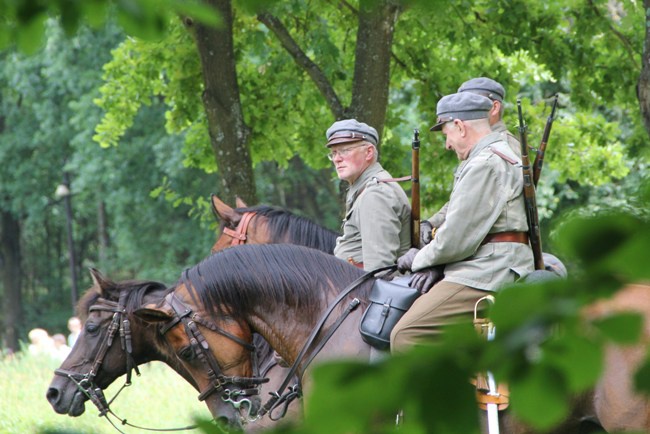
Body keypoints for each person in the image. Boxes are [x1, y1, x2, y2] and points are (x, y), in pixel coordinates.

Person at [390, 92, 534, 352]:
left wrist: (418, 259)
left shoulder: (484, 164)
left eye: (446, 134)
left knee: (405, 334)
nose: (447, 144)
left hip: (486, 272)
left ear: (459, 126)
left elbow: (456, 239)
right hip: (491, 265)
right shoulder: (496, 156)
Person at [420, 77, 521, 245]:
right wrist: (432, 223)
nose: (465, 106)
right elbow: (463, 198)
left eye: (472, 101)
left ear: (494, 107)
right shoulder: (479, 146)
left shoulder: (503, 147)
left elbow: (475, 211)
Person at [325, 119, 411, 271]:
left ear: (369, 152)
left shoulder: (375, 194)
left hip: (364, 290)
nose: (337, 159)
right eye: (334, 153)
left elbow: (379, 270)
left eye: (345, 150)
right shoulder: (363, 188)